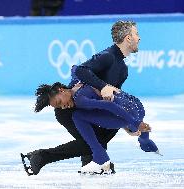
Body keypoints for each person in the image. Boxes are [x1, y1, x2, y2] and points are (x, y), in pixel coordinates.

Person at [21, 20, 140, 176]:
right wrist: (102, 86)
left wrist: (125, 123)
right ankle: (43, 157)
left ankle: (88, 161)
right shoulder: (108, 56)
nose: (139, 38)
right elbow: (80, 70)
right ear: (128, 38)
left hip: (95, 107)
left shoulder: (123, 69)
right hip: (74, 110)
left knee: (98, 138)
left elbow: (113, 98)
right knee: (93, 142)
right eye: (136, 34)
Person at [34, 80, 159, 174]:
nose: (63, 106)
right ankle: (145, 141)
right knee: (135, 129)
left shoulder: (79, 99)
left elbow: (109, 106)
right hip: (134, 104)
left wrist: (135, 122)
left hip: (125, 112)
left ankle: (100, 156)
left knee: (78, 116)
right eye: (58, 106)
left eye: (59, 102)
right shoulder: (78, 81)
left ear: (61, 90)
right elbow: (76, 69)